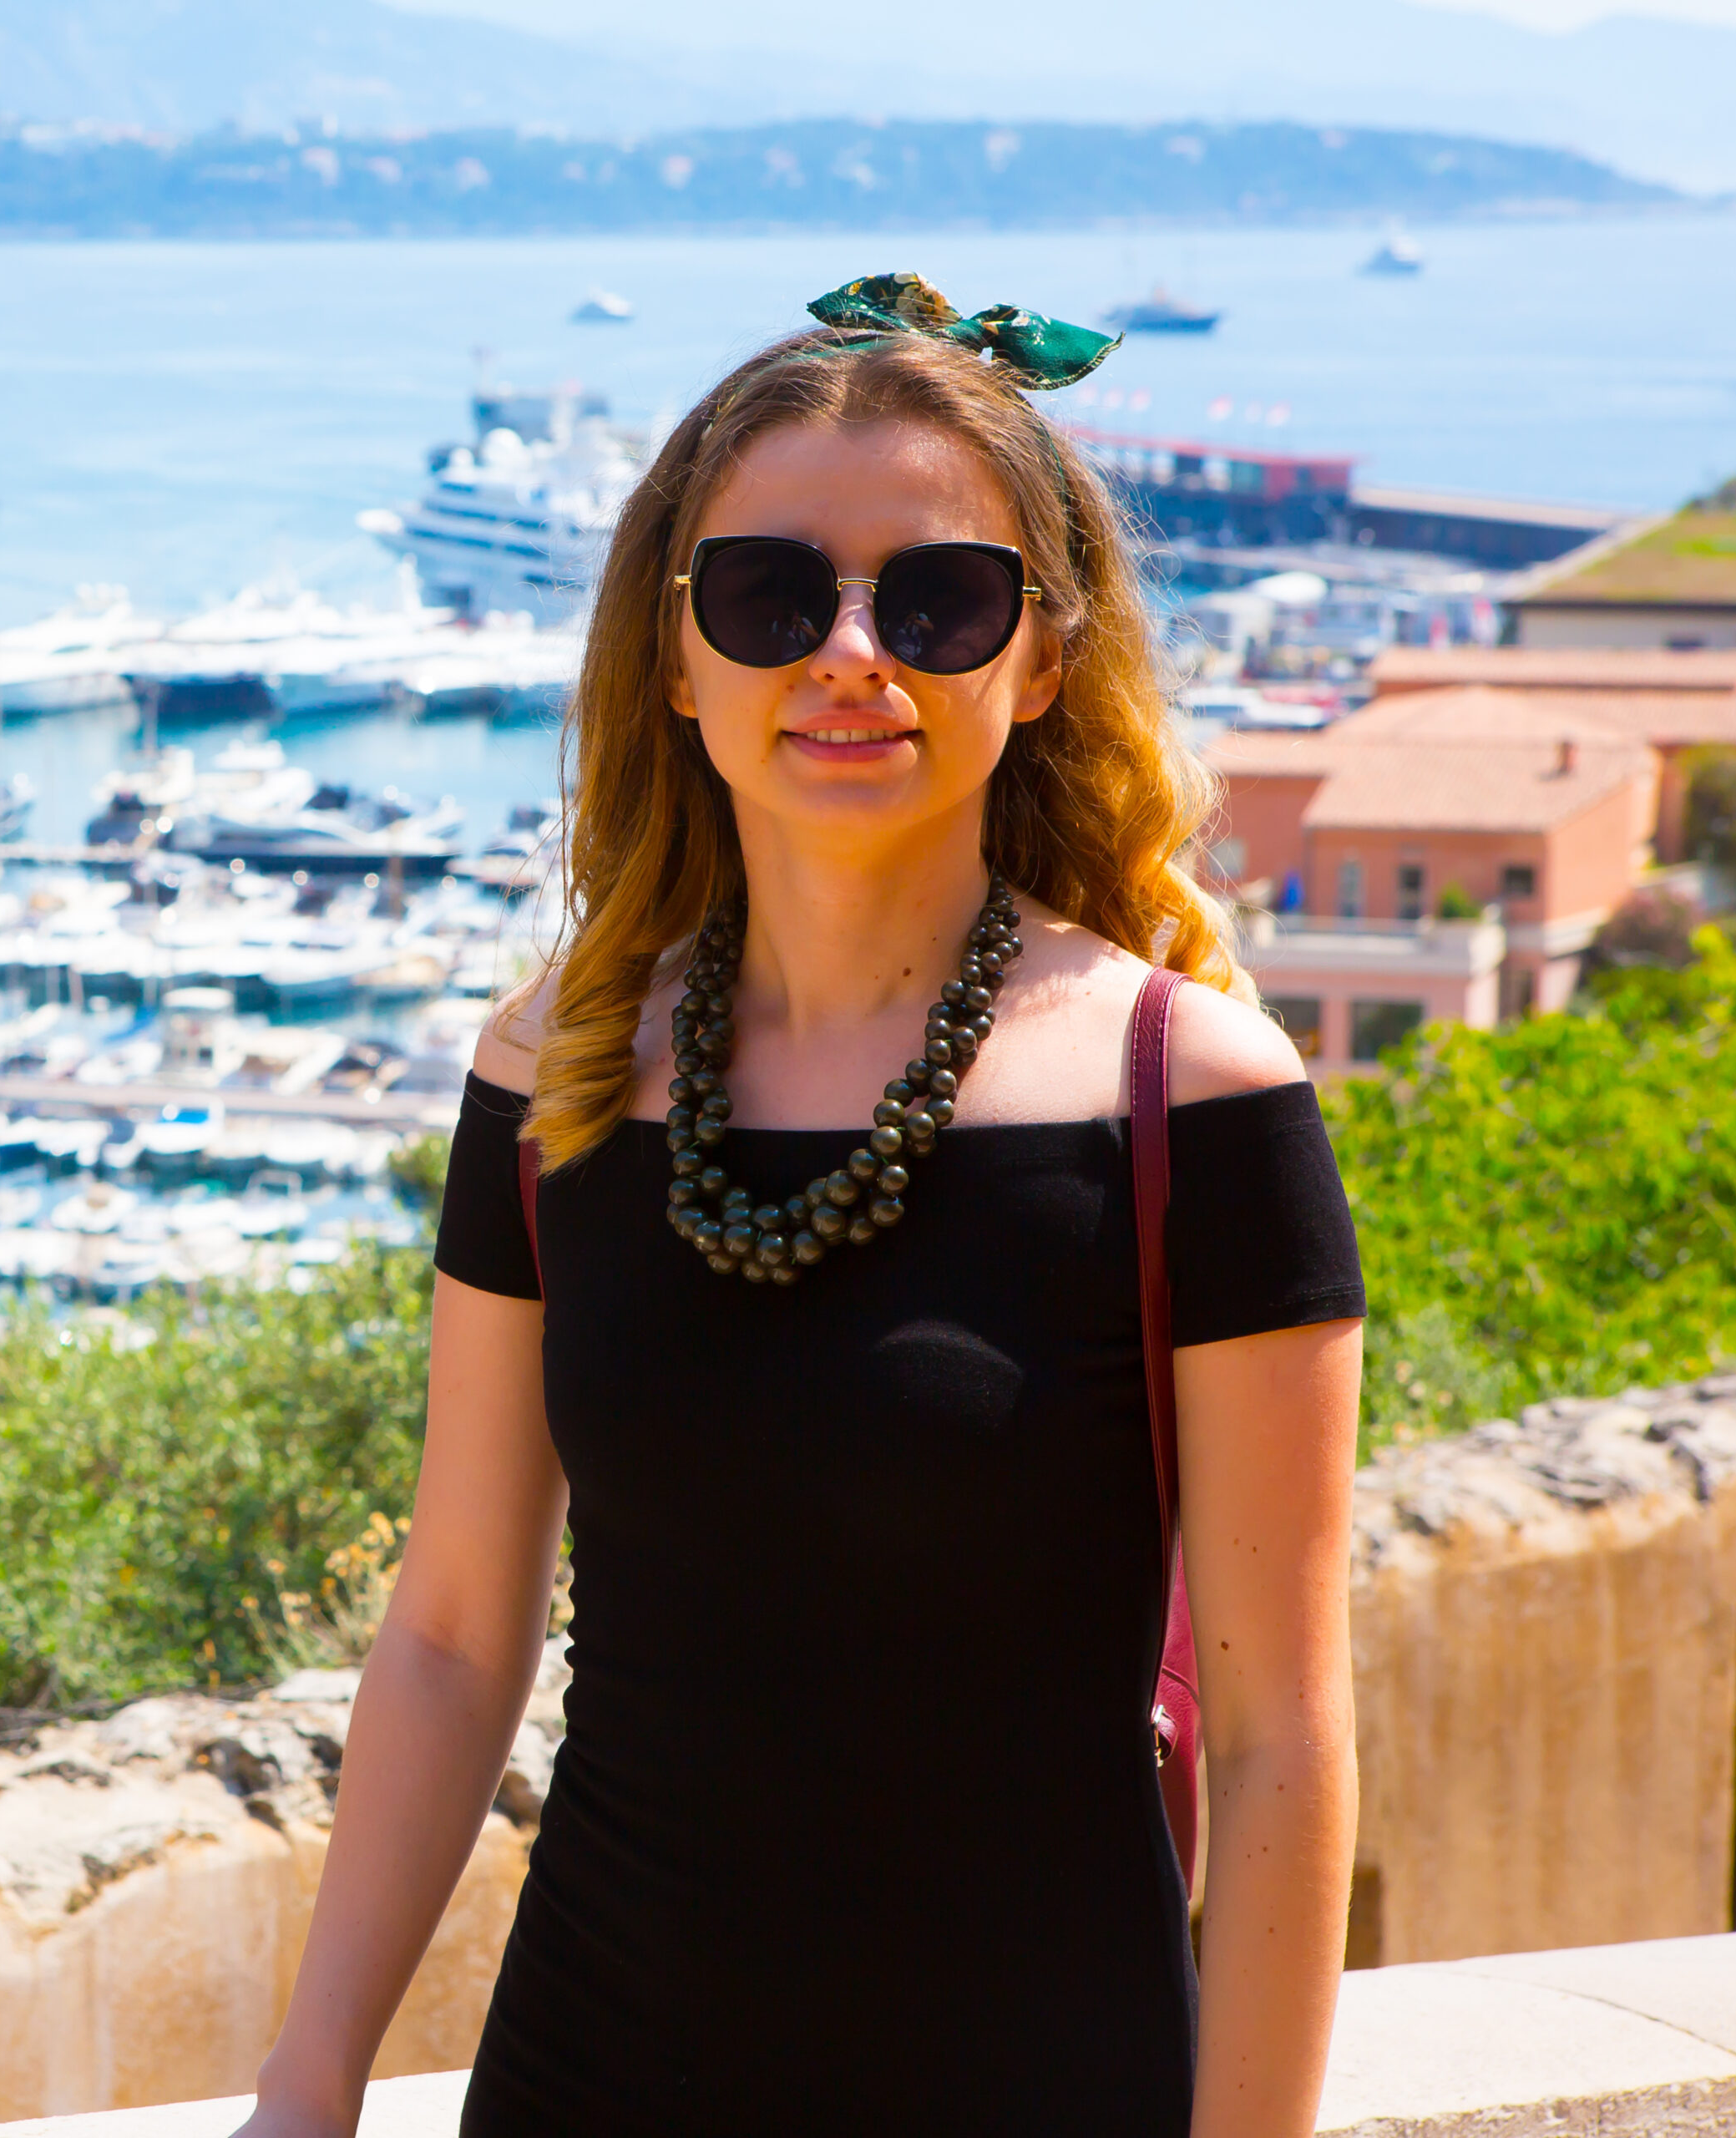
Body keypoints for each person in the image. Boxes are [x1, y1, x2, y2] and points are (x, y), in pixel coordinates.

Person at [234, 276, 1364, 2138]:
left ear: (1046, 655)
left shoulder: (1194, 1096)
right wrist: (309, 2080)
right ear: (677, 655)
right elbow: (449, 1628)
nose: (853, 651)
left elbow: (1281, 1740)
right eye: (773, 595)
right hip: (593, 2081)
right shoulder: (559, 1080)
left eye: (937, 599)